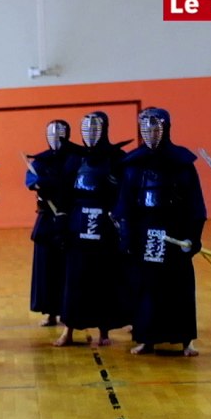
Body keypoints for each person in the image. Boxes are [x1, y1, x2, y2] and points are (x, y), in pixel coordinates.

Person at [116, 107, 206, 356]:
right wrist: (127, 235)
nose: (150, 133)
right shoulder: (133, 163)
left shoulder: (183, 163)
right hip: (146, 230)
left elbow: (195, 203)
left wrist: (194, 236)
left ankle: (185, 340)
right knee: (146, 285)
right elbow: (126, 203)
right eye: (145, 128)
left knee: (179, 284)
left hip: (174, 229)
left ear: (165, 129)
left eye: (155, 128)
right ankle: (146, 337)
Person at [55, 112, 131, 347]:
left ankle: (104, 331)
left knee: (103, 279)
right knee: (74, 278)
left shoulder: (117, 158)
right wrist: (61, 223)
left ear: (105, 130)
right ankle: (68, 330)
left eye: (95, 129)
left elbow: (125, 193)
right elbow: (63, 192)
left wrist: (118, 215)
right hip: (78, 223)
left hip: (105, 225)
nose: (90, 134)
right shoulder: (73, 158)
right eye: (86, 129)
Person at [25, 119, 79, 330]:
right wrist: (42, 184)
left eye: (60, 133)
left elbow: (73, 184)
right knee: (47, 267)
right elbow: (31, 181)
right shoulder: (40, 161)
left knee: (67, 267)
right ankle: (50, 312)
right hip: (47, 218)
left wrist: (52, 184)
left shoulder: (75, 159)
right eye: (51, 134)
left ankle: (68, 311)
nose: (55, 137)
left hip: (69, 218)